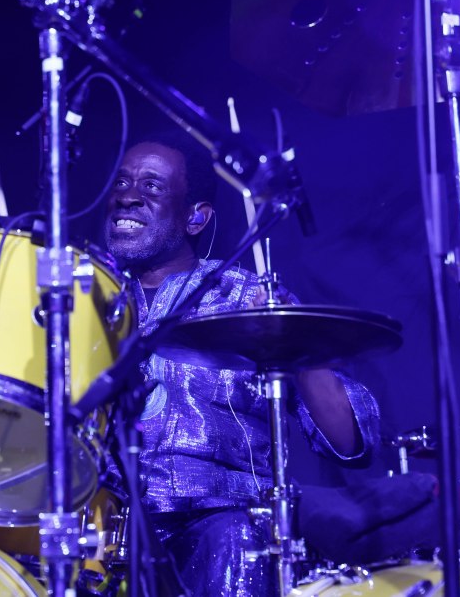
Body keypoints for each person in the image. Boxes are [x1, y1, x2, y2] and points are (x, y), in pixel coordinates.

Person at [102, 135, 382, 595]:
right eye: (122, 183)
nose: (127, 197)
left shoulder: (241, 297)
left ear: (196, 217)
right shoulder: (87, 302)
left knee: (236, 538)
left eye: (151, 186)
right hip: (105, 526)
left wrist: (293, 339)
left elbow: (351, 442)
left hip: (220, 524)